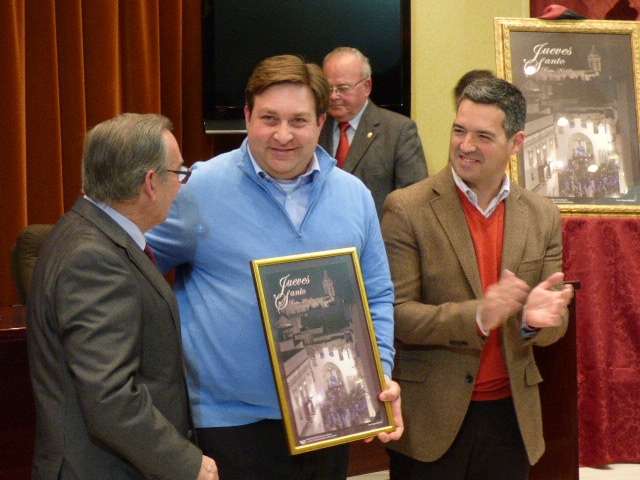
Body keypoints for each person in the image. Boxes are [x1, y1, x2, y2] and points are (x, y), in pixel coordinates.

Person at [147, 54, 403, 480]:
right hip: (228, 424)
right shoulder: (197, 188)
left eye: (298, 121)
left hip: (330, 417)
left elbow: (375, 294)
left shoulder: (353, 195)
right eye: (269, 118)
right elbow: (136, 271)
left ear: (320, 122)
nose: (283, 135)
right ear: (248, 117)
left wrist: (380, 372)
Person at [381, 77, 574, 479]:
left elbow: (555, 326)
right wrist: (479, 317)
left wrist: (533, 322)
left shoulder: (542, 214)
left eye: (483, 136)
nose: (465, 145)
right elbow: (397, 316)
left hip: (511, 420)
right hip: (430, 420)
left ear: (516, 143)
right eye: (459, 130)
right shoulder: (407, 208)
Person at [27, 114, 218, 480]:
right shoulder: (94, 259)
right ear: (151, 182)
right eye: (179, 174)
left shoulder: (84, 231)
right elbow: (110, 397)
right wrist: (185, 463)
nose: (182, 188)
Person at [319, 46, 427, 219]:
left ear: (367, 86)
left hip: (378, 233)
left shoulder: (398, 131)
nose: (333, 96)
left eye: (342, 88)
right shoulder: (315, 127)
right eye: (328, 88)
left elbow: (415, 201)